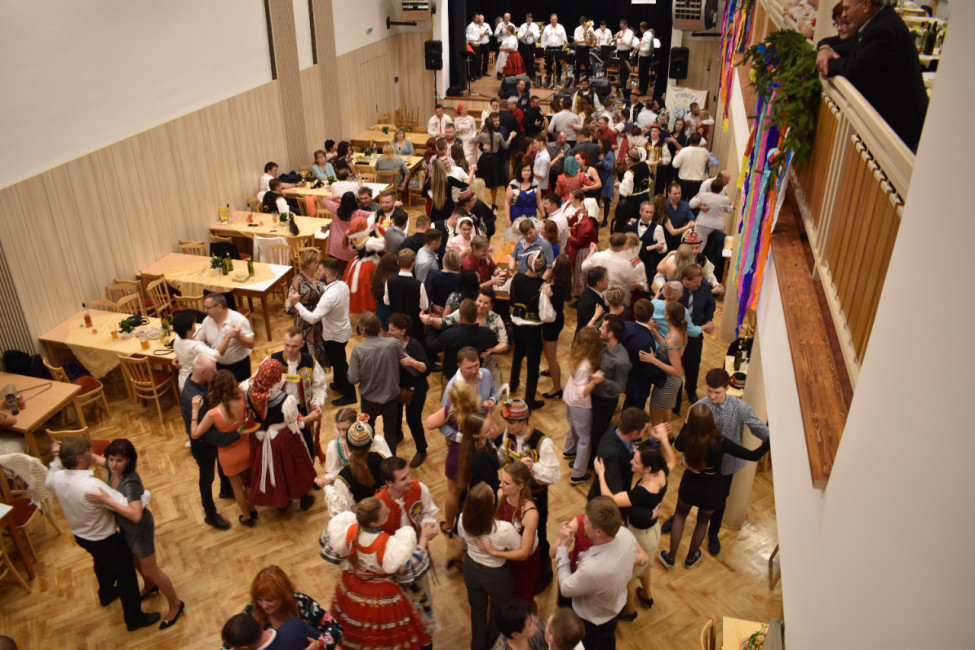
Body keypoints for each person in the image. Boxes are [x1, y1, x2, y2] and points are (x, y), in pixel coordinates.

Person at [46, 438, 161, 631]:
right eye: (88, 452)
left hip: (81, 536)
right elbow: (130, 507)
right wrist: (144, 493)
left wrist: (59, 456)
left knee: (100, 562)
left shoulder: (56, 478)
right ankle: (134, 618)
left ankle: (106, 593)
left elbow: (50, 476)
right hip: (104, 538)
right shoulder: (92, 486)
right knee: (126, 573)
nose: (92, 454)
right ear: (79, 458)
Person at [83, 439, 183, 629]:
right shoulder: (113, 469)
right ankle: (150, 586)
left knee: (150, 570)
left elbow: (136, 515)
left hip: (139, 530)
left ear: (128, 460)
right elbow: (94, 458)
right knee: (135, 561)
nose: (113, 464)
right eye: (111, 459)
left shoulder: (130, 481)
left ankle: (176, 604)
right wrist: (63, 449)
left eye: (119, 460)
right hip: (126, 528)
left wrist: (106, 501)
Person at [660, 402, 770, 570]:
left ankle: (671, 557)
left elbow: (678, 445)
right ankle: (690, 558)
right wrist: (770, 441)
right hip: (712, 487)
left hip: (690, 483)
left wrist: (687, 422)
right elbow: (753, 456)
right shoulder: (720, 441)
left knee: (680, 516)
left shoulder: (687, 437)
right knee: (702, 522)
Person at [320, 497, 436, 650]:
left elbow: (334, 548)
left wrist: (352, 565)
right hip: (383, 593)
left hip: (354, 587)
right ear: (374, 523)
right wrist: (424, 538)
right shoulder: (387, 544)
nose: (388, 509)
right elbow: (409, 567)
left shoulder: (349, 530)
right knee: (393, 635)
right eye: (384, 512)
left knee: (363, 634)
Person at [817, 0, 928, 152]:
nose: (844, 14)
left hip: (899, 129)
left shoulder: (884, 30)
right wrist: (824, 49)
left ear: (866, 5)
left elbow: (853, 70)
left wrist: (827, 65)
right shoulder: (877, 21)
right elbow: (844, 46)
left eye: (846, 9)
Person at [594, 426, 675, 618]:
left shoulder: (643, 491)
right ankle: (646, 595)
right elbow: (672, 460)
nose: (632, 461)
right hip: (652, 531)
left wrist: (601, 474)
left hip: (639, 536)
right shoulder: (661, 472)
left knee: (628, 576)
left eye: (636, 462)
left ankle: (629, 611)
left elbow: (610, 499)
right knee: (645, 566)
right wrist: (664, 440)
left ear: (647, 469)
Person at [554, 497, 638, 649]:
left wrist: (563, 549)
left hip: (592, 622)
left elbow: (565, 588)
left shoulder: (593, 568)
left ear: (599, 532)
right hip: (614, 609)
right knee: (608, 642)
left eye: (586, 522)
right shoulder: (626, 535)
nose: (582, 524)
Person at [496, 399, 560, 591]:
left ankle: (543, 576)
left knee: (538, 535)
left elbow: (554, 475)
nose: (506, 426)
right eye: (506, 422)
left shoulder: (542, 442)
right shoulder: (510, 433)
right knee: (517, 530)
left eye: (511, 422)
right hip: (514, 495)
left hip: (536, 497)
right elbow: (504, 453)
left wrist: (534, 467)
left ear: (524, 421)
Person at [425, 366, 491, 536]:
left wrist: (452, 429)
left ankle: (448, 525)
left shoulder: (450, 411)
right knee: (478, 491)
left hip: (457, 455)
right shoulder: (482, 410)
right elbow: (494, 431)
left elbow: (430, 423)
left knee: (453, 492)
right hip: (478, 455)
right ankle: (476, 524)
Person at [244, 358, 318, 512]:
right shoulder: (285, 400)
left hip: (260, 437)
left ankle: (281, 502)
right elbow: (294, 421)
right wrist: (308, 419)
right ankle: (303, 498)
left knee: (274, 470)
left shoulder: (249, 391)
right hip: (283, 438)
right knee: (295, 467)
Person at [457, 482, 521, 650]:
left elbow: (463, 543)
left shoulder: (462, 519)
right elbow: (519, 549)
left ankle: (478, 643)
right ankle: (493, 642)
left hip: (471, 569)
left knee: (477, 608)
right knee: (498, 609)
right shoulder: (503, 529)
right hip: (497, 576)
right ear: (491, 502)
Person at [190, 369, 256, 526]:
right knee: (247, 481)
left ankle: (246, 516)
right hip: (246, 448)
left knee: (236, 486)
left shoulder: (212, 414)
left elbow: (195, 434)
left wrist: (194, 411)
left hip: (228, 455)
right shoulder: (241, 399)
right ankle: (253, 509)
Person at [220, 565, 342, 650]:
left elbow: (335, 628)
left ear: (284, 596)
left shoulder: (302, 603)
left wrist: (320, 644)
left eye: (269, 600)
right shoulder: (253, 609)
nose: (263, 606)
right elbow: (234, 638)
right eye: (259, 599)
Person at [290, 256, 356, 406]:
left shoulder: (330, 295)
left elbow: (312, 318)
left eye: (319, 270)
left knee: (340, 365)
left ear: (327, 273)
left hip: (335, 335)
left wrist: (296, 304)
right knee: (338, 362)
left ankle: (350, 395)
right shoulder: (342, 285)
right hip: (342, 330)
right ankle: (339, 385)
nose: (317, 272)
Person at [179, 354, 234, 530]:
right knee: (207, 477)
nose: (216, 373)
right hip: (203, 445)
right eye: (213, 371)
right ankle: (210, 514)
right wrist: (231, 437)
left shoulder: (198, 381)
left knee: (222, 463)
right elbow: (204, 433)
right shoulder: (194, 397)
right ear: (203, 372)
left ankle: (226, 489)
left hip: (210, 438)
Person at [347, 311, 407, 453]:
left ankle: (371, 460)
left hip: (369, 401)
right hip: (391, 400)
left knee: (368, 433)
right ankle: (390, 461)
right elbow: (405, 361)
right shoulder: (393, 343)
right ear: (380, 327)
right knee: (390, 433)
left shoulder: (358, 350)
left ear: (362, 330)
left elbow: (352, 379)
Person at [270, 327, 327, 461]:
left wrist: (316, 403)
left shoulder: (309, 362)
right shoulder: (272, 360)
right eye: (287, 345)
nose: (289, 350)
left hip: (303, 409)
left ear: (302, 344)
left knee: (305, 447)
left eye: (294, 346)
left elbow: (319, 386)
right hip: (278, 411)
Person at [560, 326, 605, 486]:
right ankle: (578, 473)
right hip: (579, 403)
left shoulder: (576, 355)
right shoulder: (586, 364)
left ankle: (569, 450)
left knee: (573, 428)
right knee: (585, 439)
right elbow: (582, 392)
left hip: (569, 397)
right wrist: (595, 381)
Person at [587, 315, 631, 472]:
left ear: (611, 334)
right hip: (593, 395)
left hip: (604, 402)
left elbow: (620, 387)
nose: (599, 329)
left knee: (597, 434)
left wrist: (602, 380)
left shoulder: (621, 360)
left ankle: (593, 463)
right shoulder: (602, 345)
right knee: (588, 430)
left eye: (603, 327)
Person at [386, 313, 431, 468]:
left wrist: (412, 362)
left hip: (416, 390)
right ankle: (398, 435)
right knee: (396, 415)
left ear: (403, 331)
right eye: (389, 329)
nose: (388, 332)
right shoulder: (391, 344)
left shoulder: (414, 345)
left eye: (392, 330)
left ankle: (421, 449)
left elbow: (426, 368)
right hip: (398, 388)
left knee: (413, 420)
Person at [322, 414, 385, 516]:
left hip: (364, 519)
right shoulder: (381, 457)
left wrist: (327, 487)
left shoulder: (344, 478)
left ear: (348, 445)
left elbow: (343, 512)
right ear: (370, 444)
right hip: (384, 511)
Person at [509, 250, 550, 409]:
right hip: (533, 329)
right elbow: (546, 314)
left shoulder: (516, 277)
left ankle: (513, 383)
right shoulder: (542, 286)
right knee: (533, 363)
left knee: (517, 354)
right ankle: (529, 399)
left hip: (516, 325)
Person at [587, 407, 650, 506]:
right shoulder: (612, 455)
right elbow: (616, 493)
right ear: (634, 433)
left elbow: (632, 449)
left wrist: (652, 441)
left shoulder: (617, 430)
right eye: (644, 431)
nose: (644, 434)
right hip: (604, 506)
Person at [677, 265, 716, 404]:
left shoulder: (704, 286)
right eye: (696, 282)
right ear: (685, 279)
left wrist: (708, 320)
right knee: (676, 366)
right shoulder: (674, 287)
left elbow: (711, 304)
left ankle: (691, 389)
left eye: (700, 281)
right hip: (676, 336)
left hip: (695, 334)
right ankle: (676, 394)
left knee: (693, 365)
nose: (699, 285)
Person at [644, 301, 687, 425]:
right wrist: (654, 330)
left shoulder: (672, 339)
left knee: (656, 421)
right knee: (664, 411)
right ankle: (668, 434)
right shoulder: (679, 330)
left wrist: (654, 360)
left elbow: (677, 371)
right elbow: (666, 346)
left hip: (668, 382)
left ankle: (662, 437)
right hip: (670, 381)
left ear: (668, 316)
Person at [284, 249, 327, 371]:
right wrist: (294, 302)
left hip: (320, 322)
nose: (319, 264)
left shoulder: (320, 276)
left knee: (320, 352)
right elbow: (288, 307)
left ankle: (318, 376)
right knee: (307, 356)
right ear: (307, 263)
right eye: (316, 262)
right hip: (305, 325)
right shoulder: (297, 280)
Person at [196, 293, 254, 382]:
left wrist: (239, 337)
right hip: (218, 367)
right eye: (205, 307)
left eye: (208, 308)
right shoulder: (207, 321)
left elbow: (251, 344)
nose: (205, 311)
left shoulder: (238, 319)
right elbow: (198, 341)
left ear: (219, 307)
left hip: (239, 367)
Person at [172, 310, 227, 392]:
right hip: (193, 384)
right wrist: (228, 337)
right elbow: (217, 356)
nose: (195, 325)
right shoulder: (196, 347)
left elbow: (186, 347)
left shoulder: (177, 338)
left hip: (182, 380)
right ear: (188, 330)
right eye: (193, 324)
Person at [540, 254, 570, 397]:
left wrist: (550, 293)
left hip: (553, 323)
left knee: (551, 356)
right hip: (554, 321)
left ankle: (557, 387)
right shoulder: (560, 281)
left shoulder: (558, 286)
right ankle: (549, 369)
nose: (552, 261)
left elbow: (558, 306)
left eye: (555, 261)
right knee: (548, 350)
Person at [321, 191, 372, 271]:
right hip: (348, 249)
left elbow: (325, 200)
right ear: (354, 201)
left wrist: (338, 195)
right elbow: (375, 215)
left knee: (333, 271)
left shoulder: (336, 209)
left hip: (334, 248)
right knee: (346, 273)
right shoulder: (359, 213)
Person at [384, 248, 429, 339]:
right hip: (414, 327)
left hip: (396, 325)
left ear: (398, 262)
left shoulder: (389, 282)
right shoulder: (419, 285)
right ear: (413, 263)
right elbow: (424, 307)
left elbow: (387, 302)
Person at [221, 612, 324, 650]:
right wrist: (319, 645)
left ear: (244, 648)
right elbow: (324, 640)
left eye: (233, 647)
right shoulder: (295, 624)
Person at [475, 113, 516, 208]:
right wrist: (483, 147)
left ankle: (507, 201)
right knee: (489, 183)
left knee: (504, 181)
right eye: (494, 121)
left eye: (498, 120)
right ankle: (488, 203)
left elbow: (474, 141)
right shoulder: (493, 134)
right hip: (493, 160)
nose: (497, 122)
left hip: (499, 159)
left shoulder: (502, 130)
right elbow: (505, 146)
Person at [564, 191, 600, 298]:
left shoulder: (586, 223)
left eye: (582, 205)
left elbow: (579, 242)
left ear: (587, 209)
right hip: (590, 247)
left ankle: (582, 296)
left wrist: (569, 235)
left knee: (582, 274)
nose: (580, 206)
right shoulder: (588, 219)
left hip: (585, 251)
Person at [672, 132, 710, 203]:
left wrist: (677, 155)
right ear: (699, 142)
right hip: (697, 182)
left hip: (684, 181)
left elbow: (675, 165)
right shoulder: (705, 152)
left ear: (690, 140)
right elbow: (709, 161)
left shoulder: (683, 151)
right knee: (694, 204)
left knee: (681, 203)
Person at [662, 182, 696, 254]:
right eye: (675, 194)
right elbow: (672, 231)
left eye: (679, 193)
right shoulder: (663, 205)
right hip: (664, 239)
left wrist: (692, 224)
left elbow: (692, 221)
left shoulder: (685, 206)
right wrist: (687, 226)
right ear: (669, 194)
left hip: (679, 239)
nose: (678, 196)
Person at [574, 265, 608, 335]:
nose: (609, 281)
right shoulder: (590, 304)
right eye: (607, 279)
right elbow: (590, 329)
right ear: (599, 284)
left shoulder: (589, 291)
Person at [506, 161, 542, 225]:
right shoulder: (512, 185)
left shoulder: (535, 184)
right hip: (516, 215)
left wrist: (544, 216)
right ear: (520, 172)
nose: (526, 173)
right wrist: (508, 220)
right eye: (524, 170)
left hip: (531, 215)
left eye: (528, 170)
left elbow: (539, 202)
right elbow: (507, 203)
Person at [541, 14, 568, 88]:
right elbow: (543, 39)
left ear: (557, 19)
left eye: (555, 19)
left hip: (559, 48)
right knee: (549, 64)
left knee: (559, 64)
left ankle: (558, 78)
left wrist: (564, 48)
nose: (554, 21)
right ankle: (548, 79)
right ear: (550, 20)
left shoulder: (561, 27)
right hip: (549, 48)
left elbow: (564, 39)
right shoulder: (546, 28)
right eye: (552, 20)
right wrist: (543, 49)